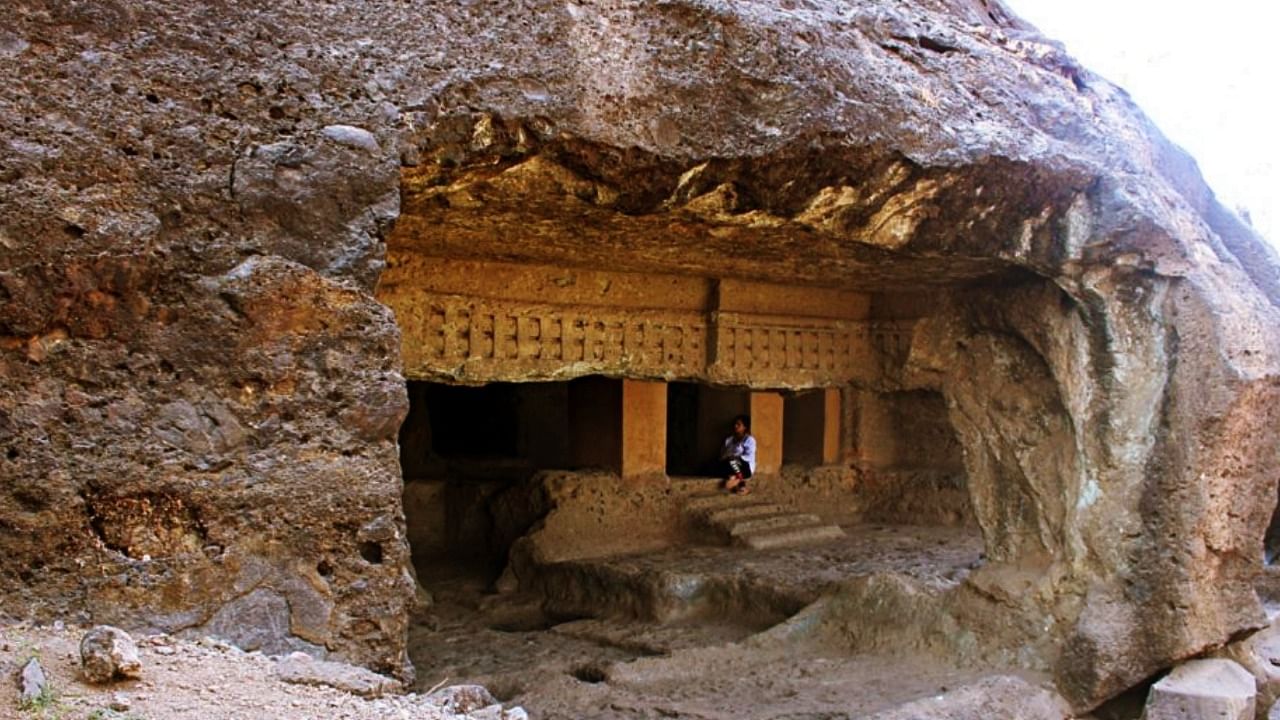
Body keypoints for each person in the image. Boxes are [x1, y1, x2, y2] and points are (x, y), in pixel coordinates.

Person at [719, 414, 755, 495]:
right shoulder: (729, 440)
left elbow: (749, 456)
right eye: (735, 424)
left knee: (732, 460)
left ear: (745, 427)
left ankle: (741, 482)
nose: (735, 426)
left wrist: (736, 457)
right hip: (730, 464)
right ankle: (734, 479)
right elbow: (723, 454)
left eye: (739, 424)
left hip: (745, 467)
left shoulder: (749, 440)